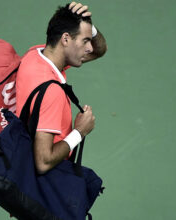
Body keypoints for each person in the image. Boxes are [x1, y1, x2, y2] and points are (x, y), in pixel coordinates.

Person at [15, 2, 107, 174]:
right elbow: (43, 162)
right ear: (65, 39)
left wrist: (88, 28)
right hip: (46, 183)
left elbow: (99, 49)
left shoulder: (35, 55)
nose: (89, 47)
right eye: (85, 40)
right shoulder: (51, 91)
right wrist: (79, 132)